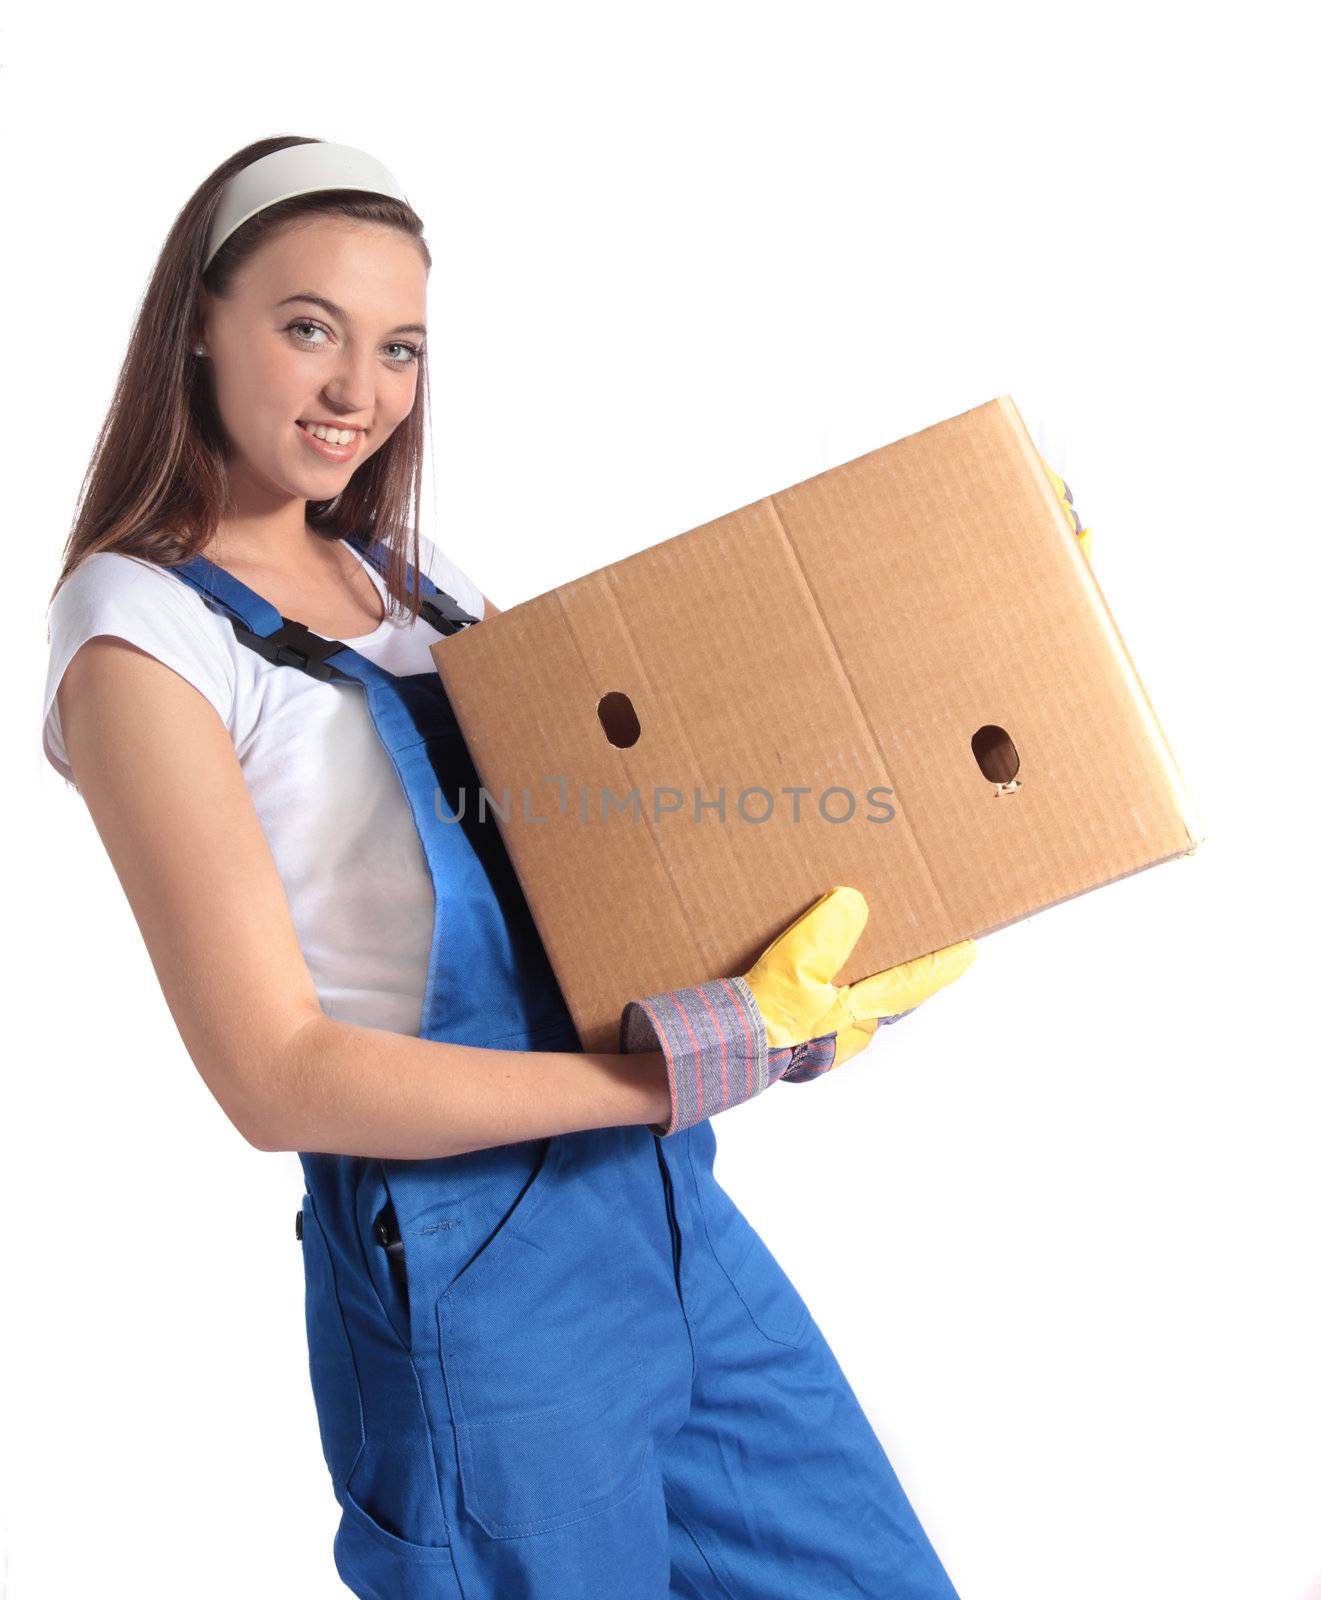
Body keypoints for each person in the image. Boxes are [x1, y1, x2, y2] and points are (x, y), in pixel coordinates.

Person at [40, 134, 1085, 1598]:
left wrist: (804, 972)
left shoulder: (412, 578)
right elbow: (273, 1079)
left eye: (398, 346)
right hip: (469, 1278)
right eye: (307, 329)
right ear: (197, 324)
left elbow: (632, 826)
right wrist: (665, 1075)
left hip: (661, 1210)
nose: (359, 390)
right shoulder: (142, 640)